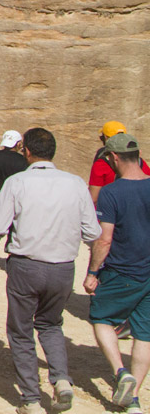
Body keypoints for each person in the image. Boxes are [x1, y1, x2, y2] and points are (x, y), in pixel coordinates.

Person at [0, 127, 101, 414]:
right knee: (51, 325)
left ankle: (31, 399)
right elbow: (93, 231)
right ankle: (61, 379)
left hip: (26, 264)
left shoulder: (18, 182)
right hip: (63, 267)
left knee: (21, 331)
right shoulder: (75, 183)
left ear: (26, 151)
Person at [85, 131, 150, 414]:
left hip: (122, 270)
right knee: (145, 335)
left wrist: (92, 271)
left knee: (100, 317)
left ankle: (121, 373)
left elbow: (105, 239)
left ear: (112, 157)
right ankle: (133, 400)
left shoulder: (112, 192)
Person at [0, 130, 28, 278]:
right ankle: (13, 268)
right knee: (16, 233)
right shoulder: (24, 162)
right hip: (17, 200)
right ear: (18, 144)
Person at [90, 121, 150, 204]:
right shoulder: (139, 162)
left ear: (106, 138)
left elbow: (94, 198)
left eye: (102, 138)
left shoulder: (101, 164)